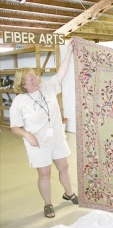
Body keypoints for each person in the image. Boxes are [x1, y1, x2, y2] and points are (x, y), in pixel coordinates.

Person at [10, 39, 78, 218]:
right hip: (38, 142)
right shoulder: (19, 101)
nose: (36, 79)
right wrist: (27, 134)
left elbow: (61, 73)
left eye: (35, 76)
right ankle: (48, 204)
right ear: (23, 84)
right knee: (45, 173)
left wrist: (69, 51)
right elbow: (14, 127)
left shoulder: (47, 88)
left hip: (56, 137)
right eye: (31, 79)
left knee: (64, 167)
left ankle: (69, 193)